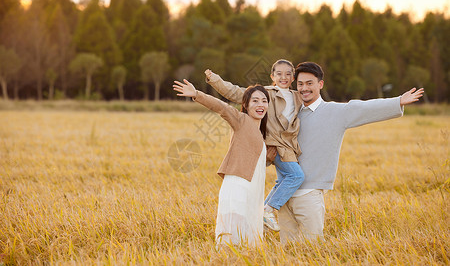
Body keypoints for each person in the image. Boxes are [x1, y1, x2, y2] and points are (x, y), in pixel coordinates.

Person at [267, 61, 424, 243]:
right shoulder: (291, 111)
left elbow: (364, 107)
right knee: (288, 250)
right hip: (283, 195)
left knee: (313, 249)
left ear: (320, 84)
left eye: (309, 83)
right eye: (300, 84)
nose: (304, 88)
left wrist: (397, 101)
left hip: (309, 194)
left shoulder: (335, 112)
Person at [205, 59, 304, 232]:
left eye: (288, 73)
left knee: (284, 180)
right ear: (272, 76)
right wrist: (215, 79)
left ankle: (262, 212)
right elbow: (235, 93)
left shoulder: (297, 96)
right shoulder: (266, 93)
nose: (284, 77)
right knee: (296, 176)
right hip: (273, 144)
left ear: (293, 77)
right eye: (279, 73)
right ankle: (267, 210)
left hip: (288, 147)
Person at [173, 79, 270, 247]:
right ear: (245, 105)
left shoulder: (262, 133)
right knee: (233, 231)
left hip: (252, 189)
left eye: (264, 100)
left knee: (247, 232)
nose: (260, 104)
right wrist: (197, 94)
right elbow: (221, 107)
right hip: (238, 185)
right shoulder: (241, 120)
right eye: (255, 100)